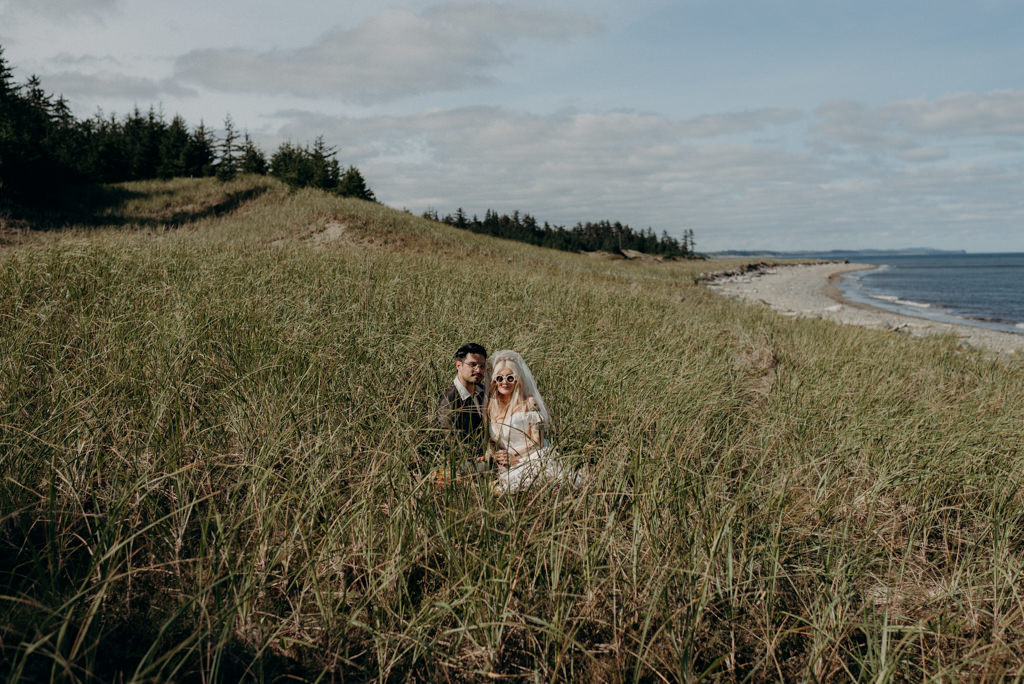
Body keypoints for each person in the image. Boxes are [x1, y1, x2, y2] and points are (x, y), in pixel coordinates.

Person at [485, 350, 573, 493]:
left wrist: (513, 455)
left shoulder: (529, 403)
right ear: (495, 381)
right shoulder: (492, 407)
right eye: (500, 378)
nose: (505, 382)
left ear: (517, 379)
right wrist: (495, 455)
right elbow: (492, 442)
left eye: (510, 378)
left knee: (504, 489)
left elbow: (538, 441)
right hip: (506, 464)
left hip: (532, 457)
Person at [435, 342, 490, 477]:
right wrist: (480, 455)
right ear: (458, 365)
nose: (478, 370)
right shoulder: (449, 399)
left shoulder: (484, 391)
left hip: (487, 454)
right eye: (473, 365)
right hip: (460, 461)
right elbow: (449, 439)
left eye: (482, 366)